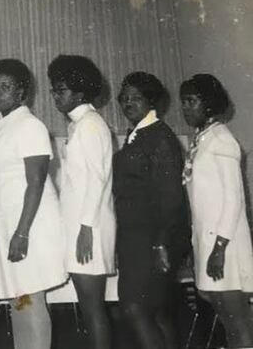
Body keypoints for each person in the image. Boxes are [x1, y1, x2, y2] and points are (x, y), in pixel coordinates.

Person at [0, 59, 67, 349]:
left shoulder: (30, 125)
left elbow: (37, 181)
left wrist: (22, 232)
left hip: (27, 224)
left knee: (30, 297)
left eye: (6, 86)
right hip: (3, 224)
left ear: (21, 92)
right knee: (20, 297)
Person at [113, 72, 190, 349]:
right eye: (124, 98)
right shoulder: (138, 134)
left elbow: (171, 196)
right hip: (136, 238)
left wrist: (161, 243)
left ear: (151, 101)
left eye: (136, 98)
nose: (128, 103)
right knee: (155, 313)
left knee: (135, 309)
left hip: (151, 240)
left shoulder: (159, 136)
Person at [180, 74, 253, 348]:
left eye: (191, 101)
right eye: (183, 102)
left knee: (239, 321)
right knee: (226, 319)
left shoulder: (221, 139)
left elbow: (233, 199)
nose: (186, 108)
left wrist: (220, 248)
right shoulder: (202, 139)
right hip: (208, 243)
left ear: (208, 104)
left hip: (226, 245)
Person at [48, 55, 115, 349]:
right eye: (54, 90)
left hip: (90, 227)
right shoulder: (80, 124)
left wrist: (85, 229)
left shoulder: (89, 125)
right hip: (80, 224)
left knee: (92, 308)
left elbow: (97, 179)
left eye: (60, 90)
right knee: (88, 308)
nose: (54, 96)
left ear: (79, 93)